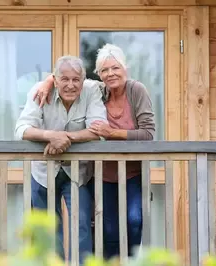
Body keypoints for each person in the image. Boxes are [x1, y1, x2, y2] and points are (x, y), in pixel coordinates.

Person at [32, 44, 155, 259]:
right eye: (105, 70)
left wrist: (111, 133)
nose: (111, 74)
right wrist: (49, 81)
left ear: (125, 68)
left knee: (134, 221)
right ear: (99, 75)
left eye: (115, 68)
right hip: (103, 173)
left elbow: (148, 134)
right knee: (106, 228)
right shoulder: (98, 90)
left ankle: (130, 262)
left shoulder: (136, 91)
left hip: (133, 172)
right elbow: (70, 79)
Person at [14, 55, 108, 264]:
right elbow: (21, 129)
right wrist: (50, 136)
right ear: (54, 80)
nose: (70, 85)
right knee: (48, 228)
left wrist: (66, 138)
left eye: (76, 80)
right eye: (64, 79)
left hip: (78, 171)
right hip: (42, 171)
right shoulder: (40, 90)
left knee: (81, 223)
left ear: (83, 81)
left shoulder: (91, 90)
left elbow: (99, 130)